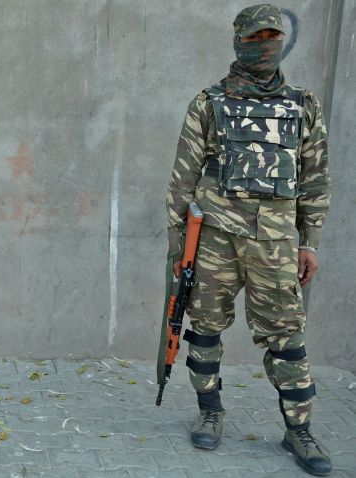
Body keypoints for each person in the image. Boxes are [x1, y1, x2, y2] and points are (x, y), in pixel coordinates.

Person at [165, 4, 332, 476]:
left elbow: (316, 177)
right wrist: (179, 247)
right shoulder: (209, 102)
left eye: (272, 36)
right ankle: (209, 411)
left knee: (287, 336)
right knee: (205, 328)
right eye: (256, 37)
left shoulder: (303, 104)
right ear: (238, 41)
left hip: (275, 244)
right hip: (215, 237)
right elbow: (182, 179)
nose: (265, 45)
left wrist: (310, 241)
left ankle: (298, 429)